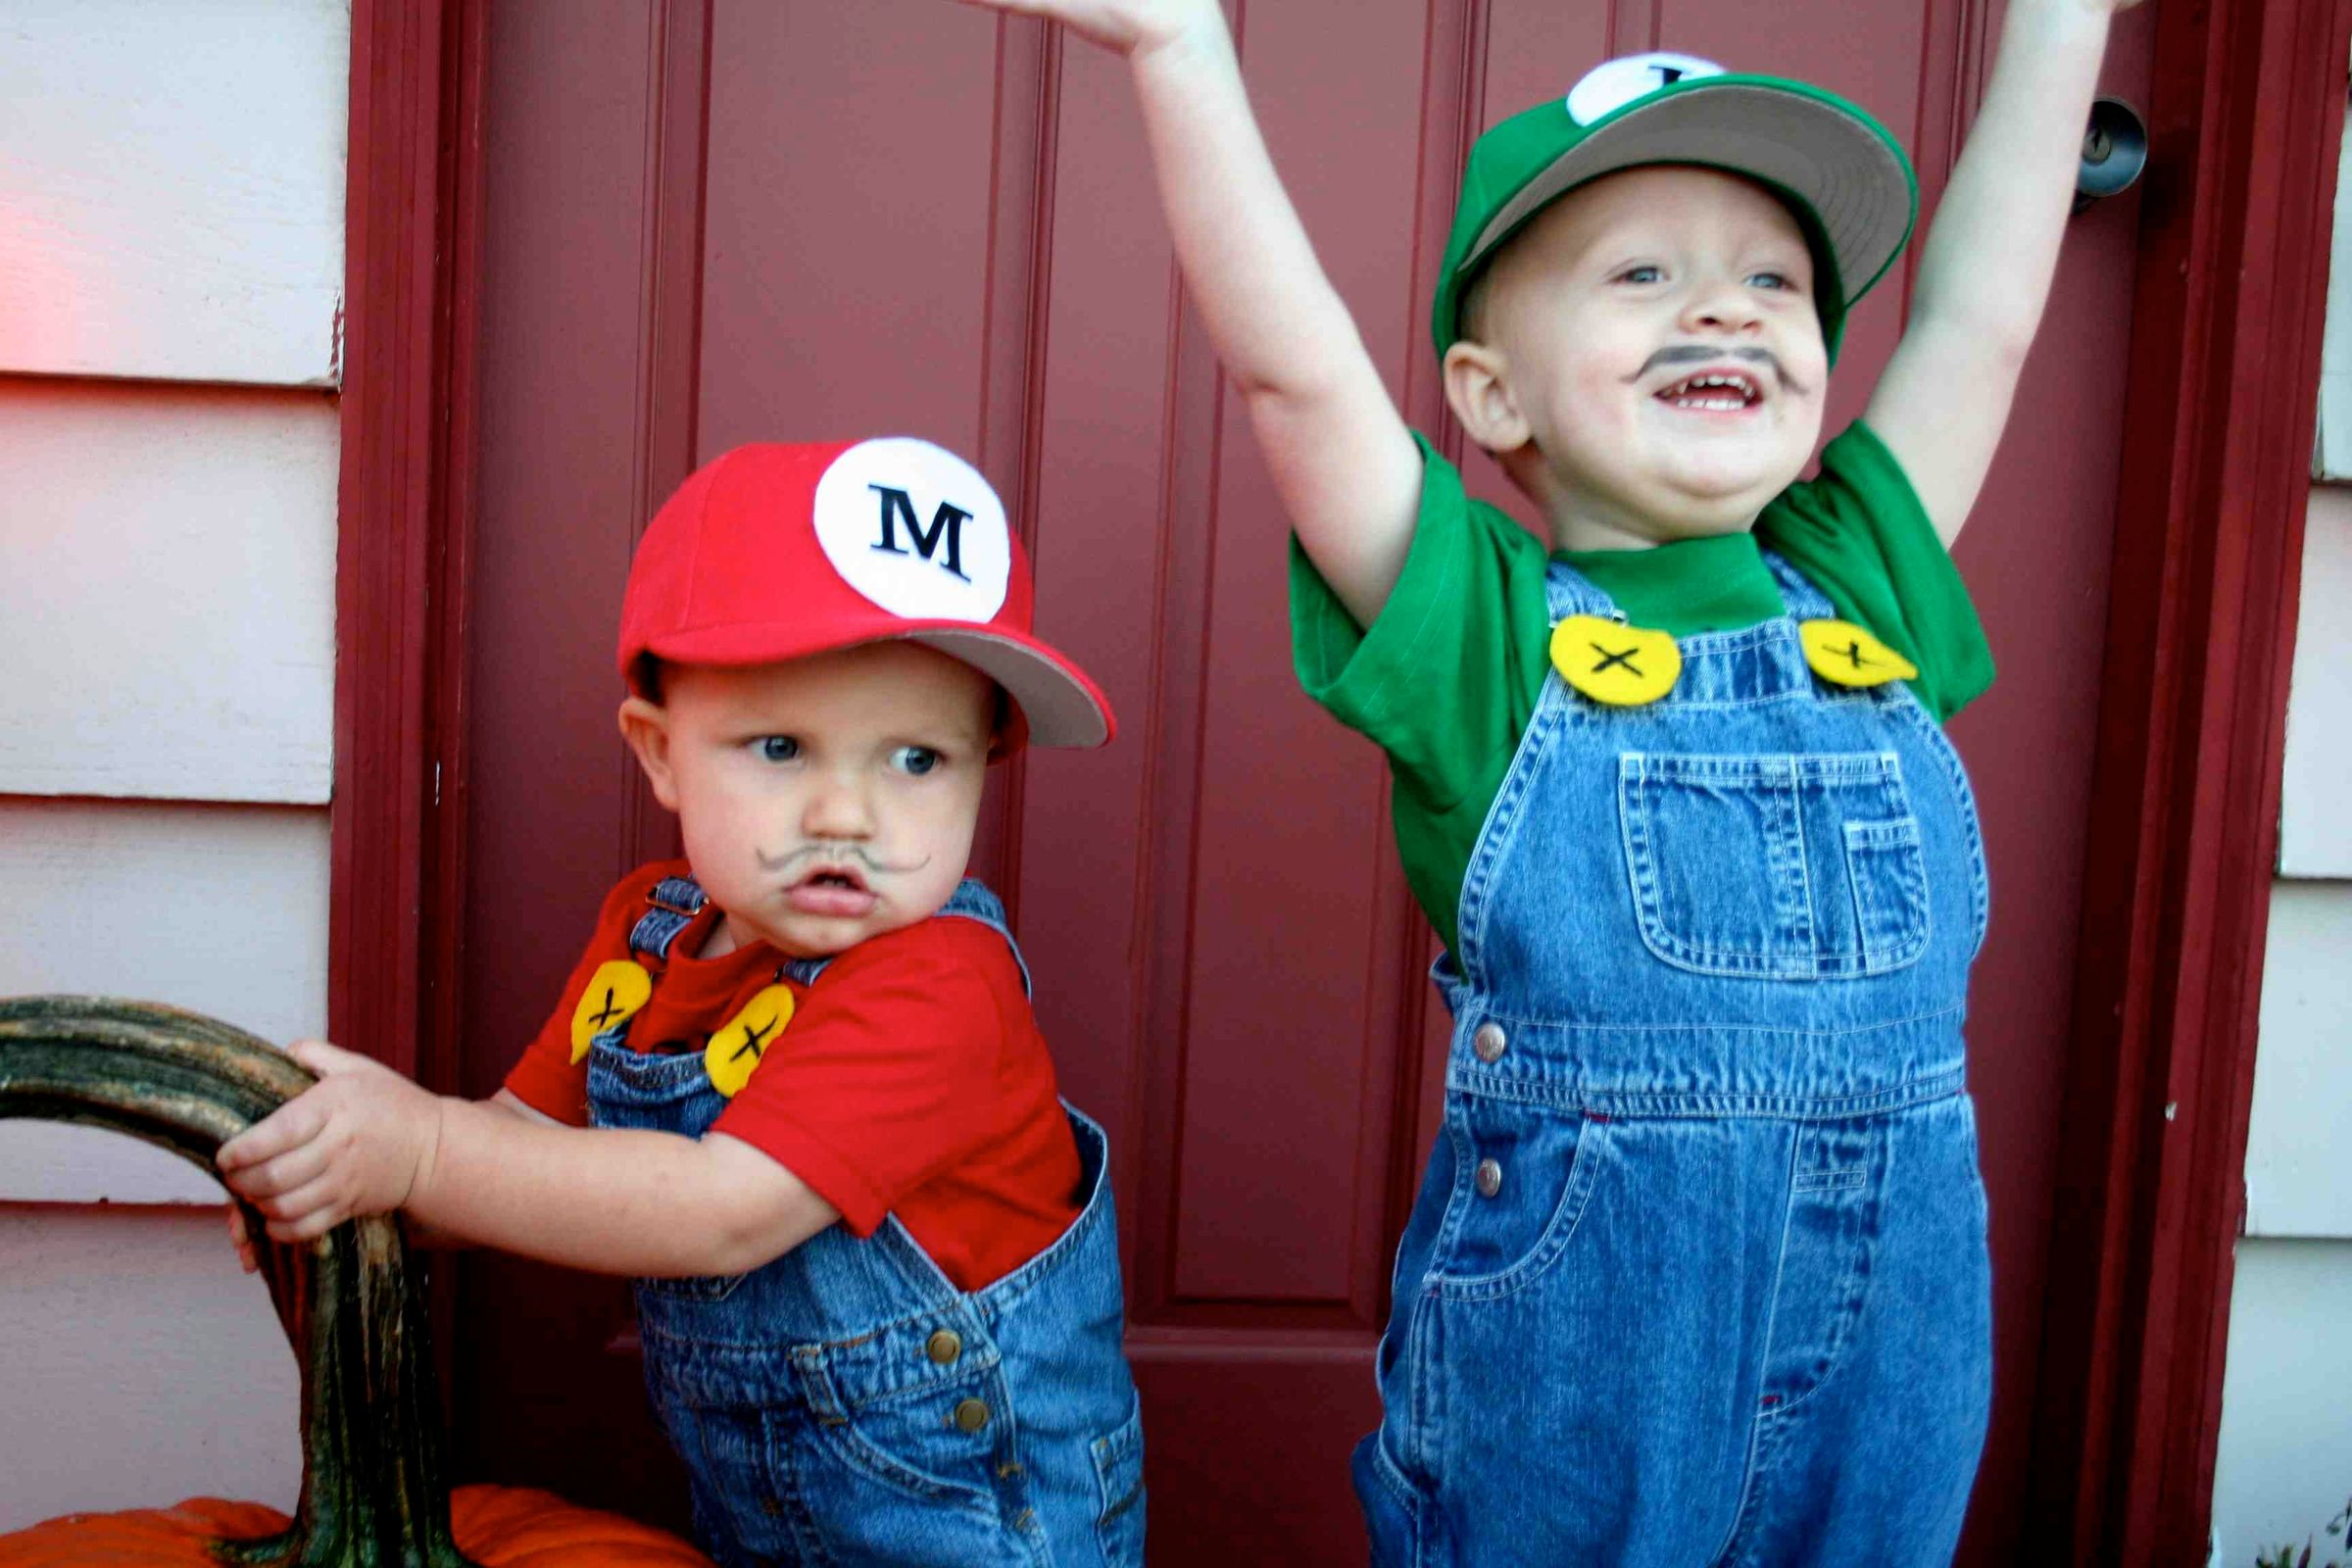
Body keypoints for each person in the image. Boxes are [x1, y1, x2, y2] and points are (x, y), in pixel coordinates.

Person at [949, 1, 2134, 1560]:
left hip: (1894, 1350)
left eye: (1773, 278)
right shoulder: (1486, 639)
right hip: (1587, 1371)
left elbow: (1982, 314)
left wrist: (2064, 25)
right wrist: (1182, 50)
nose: (1724, 309)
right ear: (1494, 395)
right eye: (1644, 274)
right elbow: (1294, 376)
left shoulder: (1864, 588)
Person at [219, 436, 1147, 1568]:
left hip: (975, 1526)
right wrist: (343, 1177)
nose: (850, 813)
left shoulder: (939, 984)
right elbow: (515, 1139)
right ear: (659, 754)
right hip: (778, 1513)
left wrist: (417, 1153)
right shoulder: (645, 942)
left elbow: (722, 1210)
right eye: (779, 747)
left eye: (918, 760)